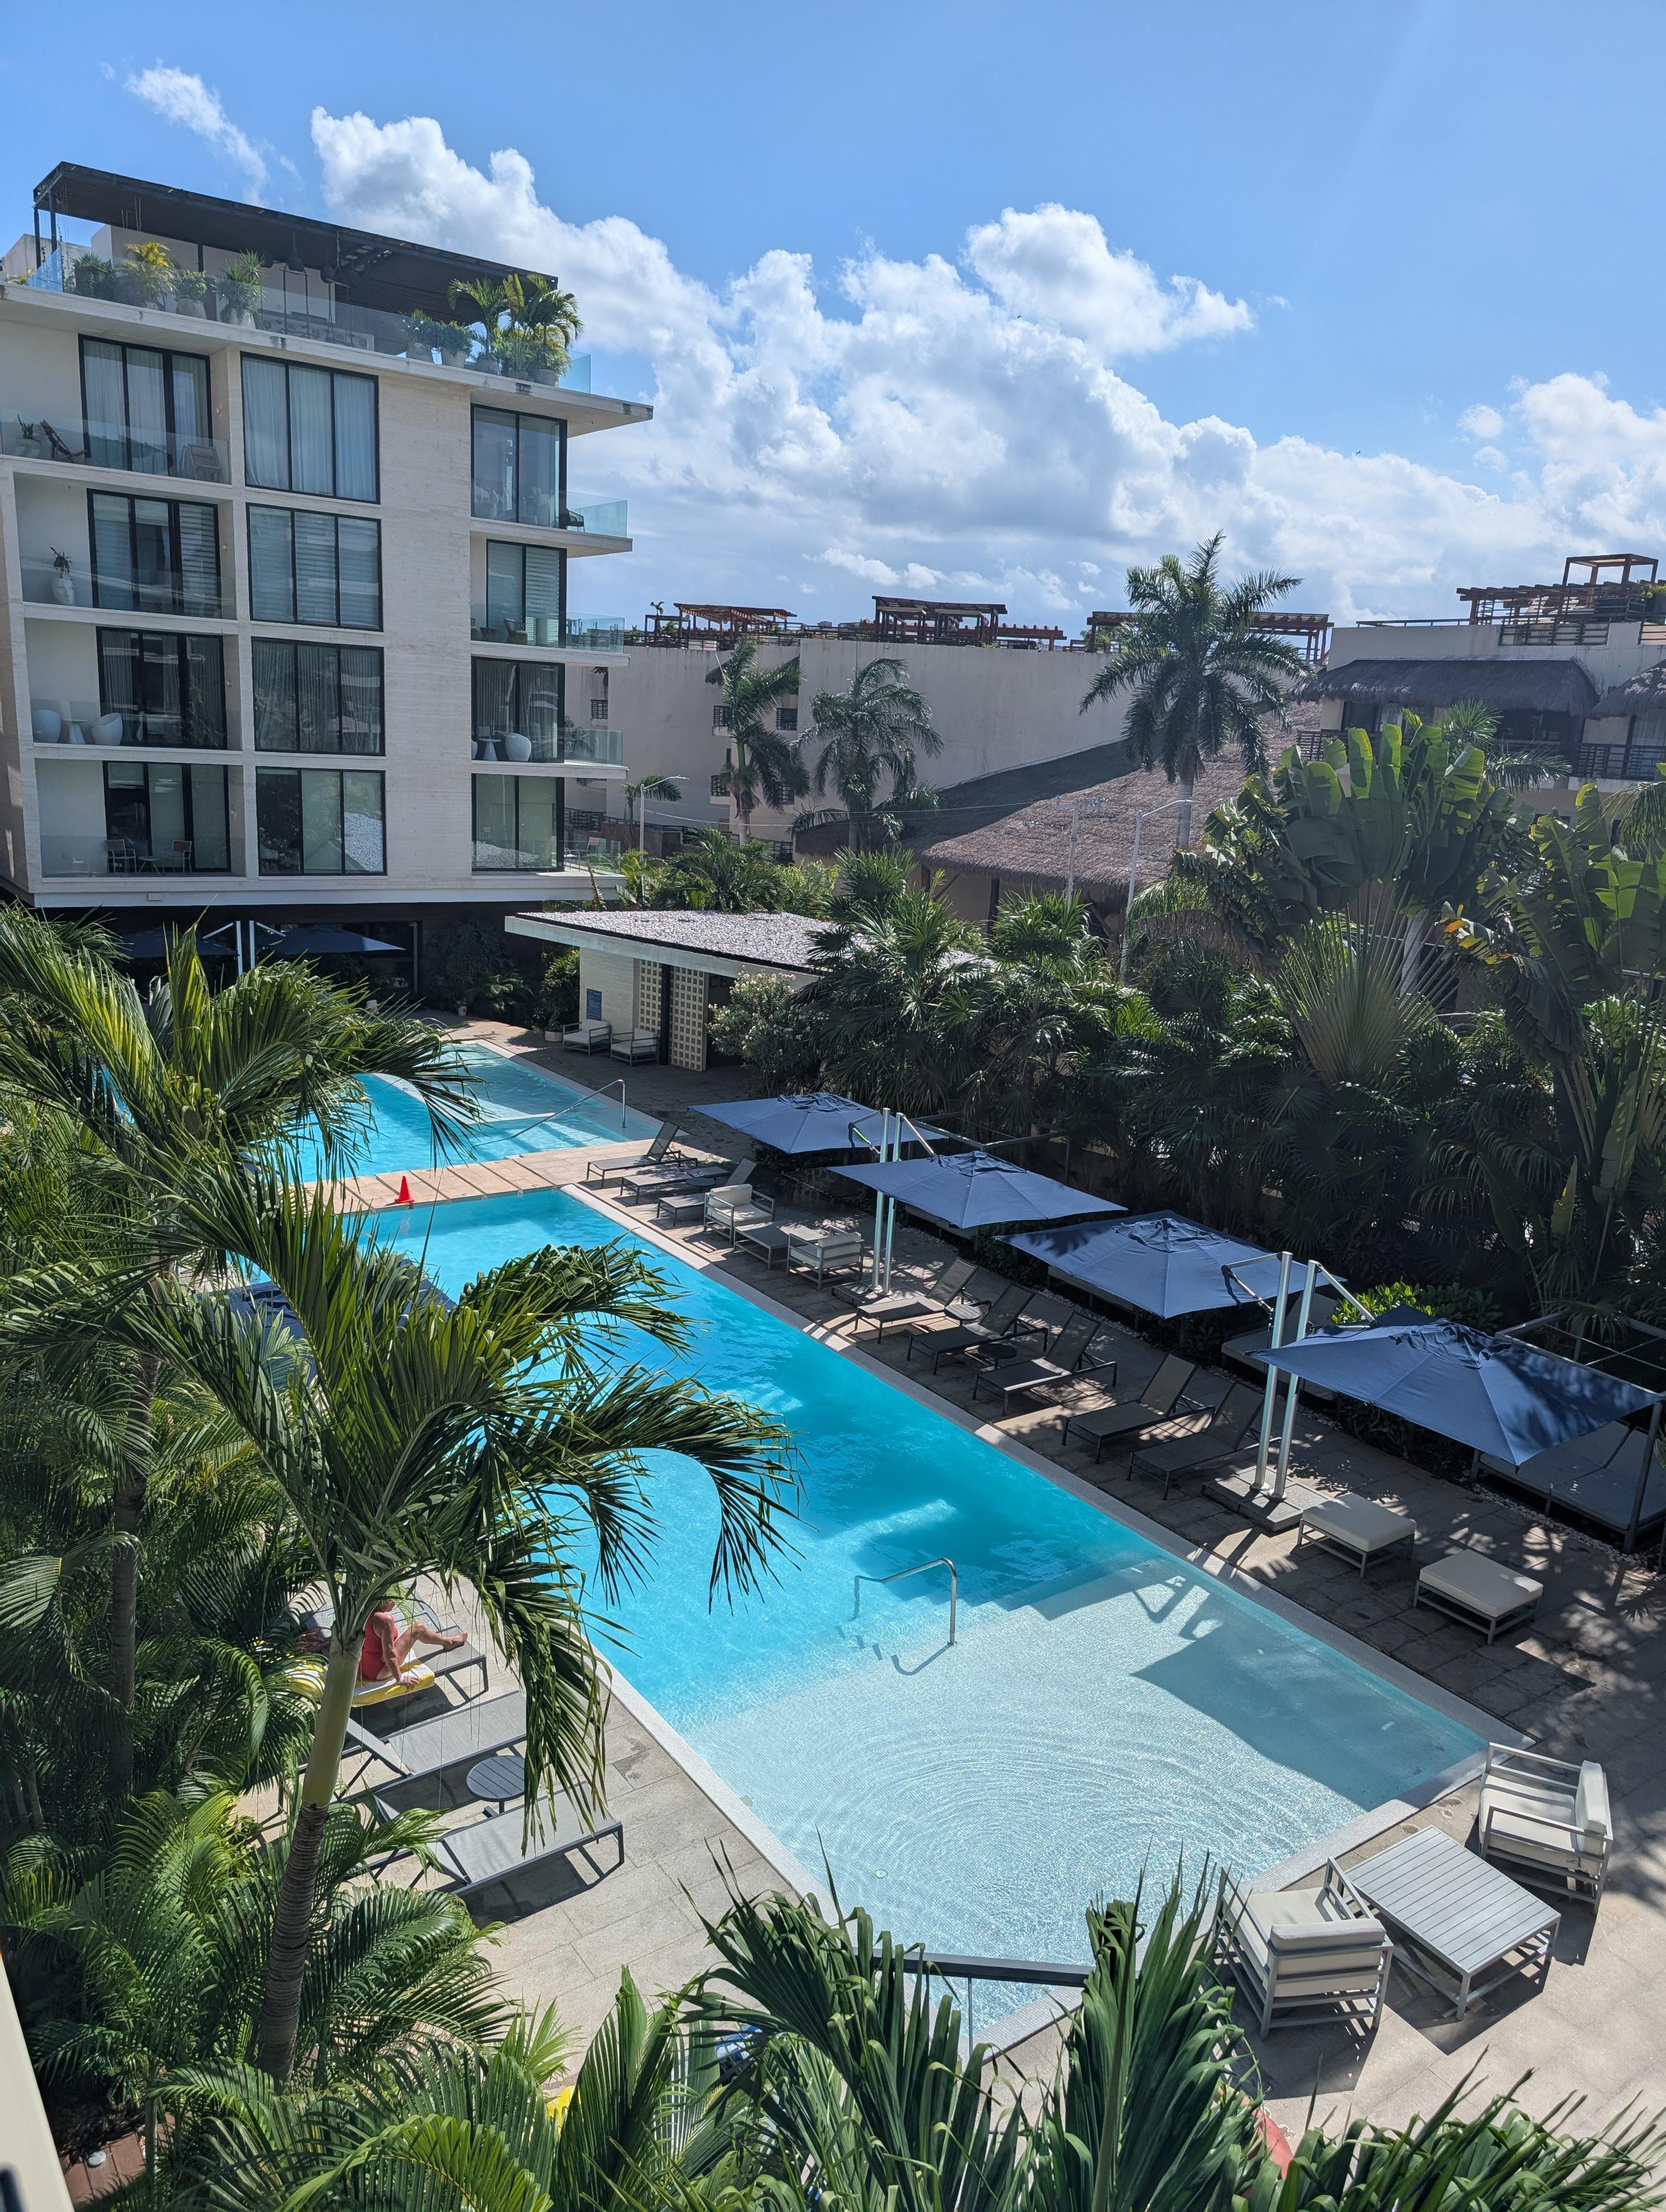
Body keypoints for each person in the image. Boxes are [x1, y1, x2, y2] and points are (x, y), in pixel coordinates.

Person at [358, 1603, 467, 1687]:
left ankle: (446, 1641)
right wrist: (400, 1678)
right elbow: (389, 1655)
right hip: (380, 1669)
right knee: (418, 1629)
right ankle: (448, 1643)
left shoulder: (363, 1609)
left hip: (362, 1666)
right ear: (385, 1602)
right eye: (394, 1600)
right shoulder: (385, 1620)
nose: (395, 1604)